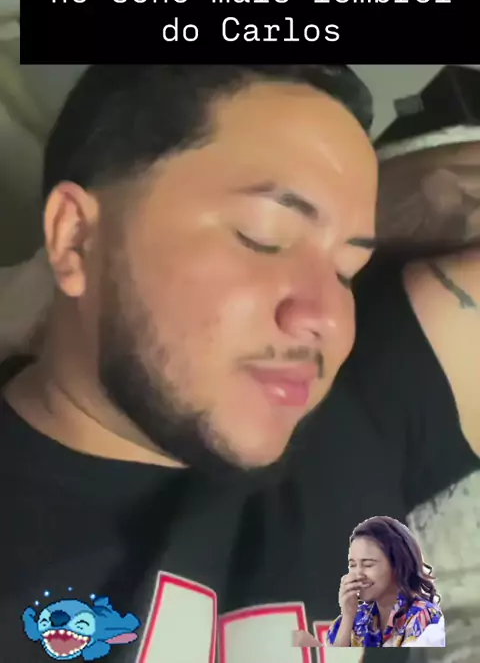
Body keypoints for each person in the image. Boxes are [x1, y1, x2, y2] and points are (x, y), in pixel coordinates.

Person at [0, 64, 478, 663]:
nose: (328, 319)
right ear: (75, 239)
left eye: (347, 270)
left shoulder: (354, 412)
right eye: (262, 237)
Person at [327, 515, 445, 648]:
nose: (358, 574)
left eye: (368, 565)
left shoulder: (421, 615)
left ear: (396, 565)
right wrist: (348, 616)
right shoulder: (355, 619)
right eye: (353, 565)